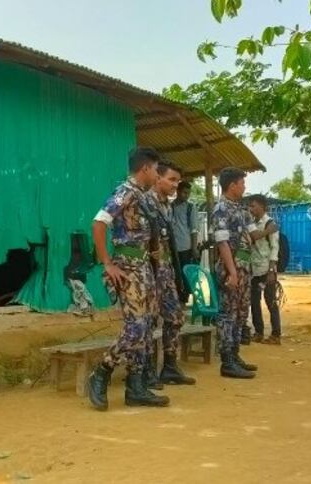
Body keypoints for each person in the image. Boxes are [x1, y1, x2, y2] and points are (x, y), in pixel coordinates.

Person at [87, 147, 169, 411]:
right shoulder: (124, 192)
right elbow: (99, 223)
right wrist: (107, 263)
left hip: (143, 267)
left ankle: (136, 387)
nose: (158, 175)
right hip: (127, 268)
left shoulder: (142, 197)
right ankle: (101, 372)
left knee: (145, 328)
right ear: (145, 168)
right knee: (134, 328)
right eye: (156, 169)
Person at [144, 161, 196, 386]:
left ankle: (170, 366)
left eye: (177, 180)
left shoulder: (167, 206)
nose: (176, 185)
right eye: (172, 179)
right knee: (148, 320)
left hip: (166, 270)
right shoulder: (146, 202)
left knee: (175, 316)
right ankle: (144, 372)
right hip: (149, 271)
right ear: (158, 178)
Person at [210, 167, 260, 379]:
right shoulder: (221, 209)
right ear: (232, 186)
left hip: (244, 267)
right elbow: (222, 243)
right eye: (242, 183)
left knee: (240, 312)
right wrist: (232, 272)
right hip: (231, 268)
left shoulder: (240, 210)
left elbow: (253, 234)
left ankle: (235, 353)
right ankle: (227, 361)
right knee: (228, 314)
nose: (244, 187)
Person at [247, 195, 282, 345]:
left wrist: (272, 270)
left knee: (270, 302)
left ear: (262, 206)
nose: (251, 209)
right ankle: (259, 332)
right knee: (254, 302)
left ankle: (275, 334)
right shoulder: (253, 224)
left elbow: (275, 248)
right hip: (254, 269)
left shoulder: (270, 223)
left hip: (266, 269)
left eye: (253, 206)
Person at [172, 181, 199, 303]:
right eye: (184, 192)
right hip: (172, 247)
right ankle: (175, 298)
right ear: (177, 191)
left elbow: (194, 229)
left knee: (185, 275)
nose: (186, 195)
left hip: (185, 247)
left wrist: (194, 248)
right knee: (173, 274)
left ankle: (184, 298)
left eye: (188, 193)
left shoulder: (190, 207)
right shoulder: (170, 206)